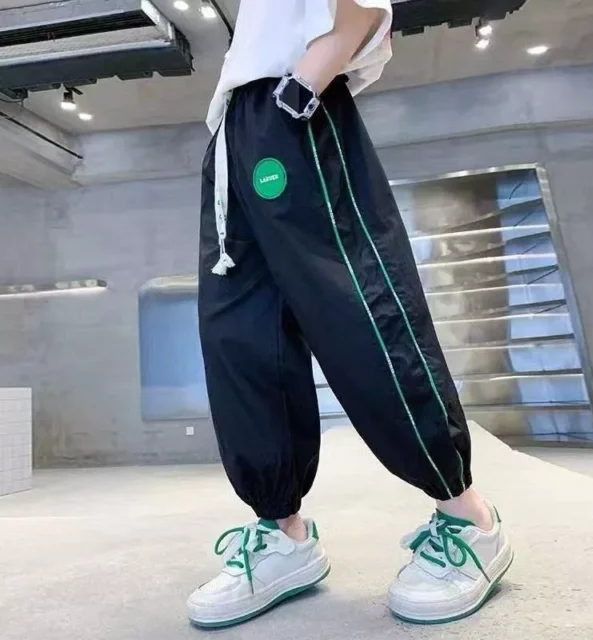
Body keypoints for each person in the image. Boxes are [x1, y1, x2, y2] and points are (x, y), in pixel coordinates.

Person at [190, 0, 513, 628]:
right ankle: (283, 532)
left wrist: (300, 90)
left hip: (290, 107)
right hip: (232, 130)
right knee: (241, 335)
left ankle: (469, 518)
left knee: (359, 310)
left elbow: (361, 7)